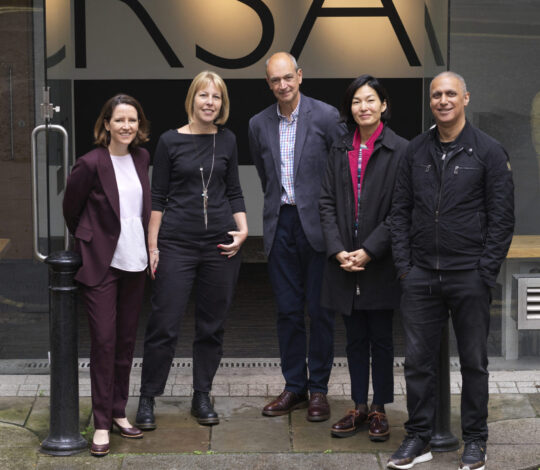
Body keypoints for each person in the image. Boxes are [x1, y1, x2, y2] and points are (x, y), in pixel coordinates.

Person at [388, 71, 514, 470]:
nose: (443, 100)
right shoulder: (415, 152)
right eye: (436, 95)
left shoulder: (489, 152)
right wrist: (406, 267)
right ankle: (418, 437)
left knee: (475, 363)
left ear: (465, 99)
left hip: (469, 276)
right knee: (417, 363)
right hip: (421, 275)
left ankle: (475, 440)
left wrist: (485, 269)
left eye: (450, 94)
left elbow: (502, 219)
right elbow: (399, 212)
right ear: (431, 101)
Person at [135, 71, 247, 429]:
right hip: (175, 244)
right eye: (204, 96)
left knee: (211, 326)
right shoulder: (169, 141)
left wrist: (244, 230)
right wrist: (152, 245)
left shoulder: (227, 140)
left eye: (216, 97)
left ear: (222, 103)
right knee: (164, 324)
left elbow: (234, 190)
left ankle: (202, 395)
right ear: (192, 100)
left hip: (219, 245)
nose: (210, 102)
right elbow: (158, 198)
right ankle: (148, 397)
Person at [248, 52, 344, 421]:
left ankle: (318, 389)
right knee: (287, 312)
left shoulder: (326, 116)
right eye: (275, 80)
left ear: (300, 76)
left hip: (318, 224)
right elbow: (265, 175)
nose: (282, 86)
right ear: (268, 83)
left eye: (288, 77)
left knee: (320, 311)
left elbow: (338, 170)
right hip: (280, 224)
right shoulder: (258, 123)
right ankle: (294, 387)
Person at [63, 94, 151, 457]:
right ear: (106, 125)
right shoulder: (90, 163)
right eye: (119, 120)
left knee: (126, 342)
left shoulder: (143, 158)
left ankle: (118, 411)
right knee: (103, 342)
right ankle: (101, 422)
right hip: (101, 263)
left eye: (132, 120)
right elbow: (72, 208)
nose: (126, 126)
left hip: (136, 261)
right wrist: (90, 244)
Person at [319, 75, 407, 441]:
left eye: (371, 100)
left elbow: (401, 209)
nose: (364, 107)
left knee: (382, 339)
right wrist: (338, 249)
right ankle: (357, 404)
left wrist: (369, 251)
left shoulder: (401, 149)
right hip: (344, 261)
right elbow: (325, 202)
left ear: (383, 105)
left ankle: (380, 408)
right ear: (349, 108)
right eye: (357, 101)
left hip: (379, 261)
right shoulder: (339, 148)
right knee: (353, 338)